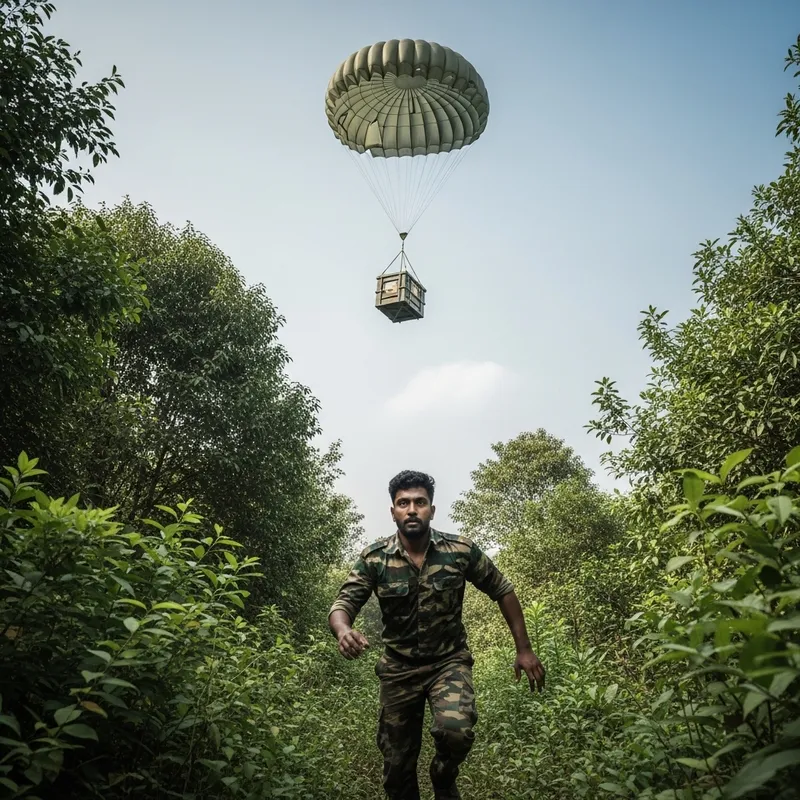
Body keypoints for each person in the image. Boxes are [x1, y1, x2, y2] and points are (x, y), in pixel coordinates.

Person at [328, 470, 545, 800]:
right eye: (403, 503)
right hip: (399, 670)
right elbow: (343, 604)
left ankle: (443, 777)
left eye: (420, 502)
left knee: (455, 731)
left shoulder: (459, 550)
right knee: (397, 768)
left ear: (431, 508)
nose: (412, 509)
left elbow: (502, 589)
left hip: (449, 662)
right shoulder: (375, 558)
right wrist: (343, 630)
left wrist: (524, 649)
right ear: (393, 511)